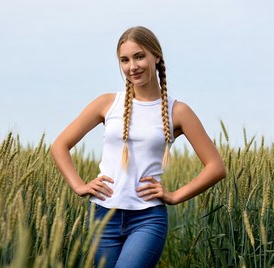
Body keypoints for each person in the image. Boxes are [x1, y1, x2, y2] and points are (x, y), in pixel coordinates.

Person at [51, 26, 226, 268]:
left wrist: (174, 196)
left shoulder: (179, 112)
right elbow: (60, 145)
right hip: (102, 215)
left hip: (147, 219)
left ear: (156, 56)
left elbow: (216, 167)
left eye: (139, 56)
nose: (132, 66)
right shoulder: (107, 103)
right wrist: (79, 186)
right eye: (125, 60)